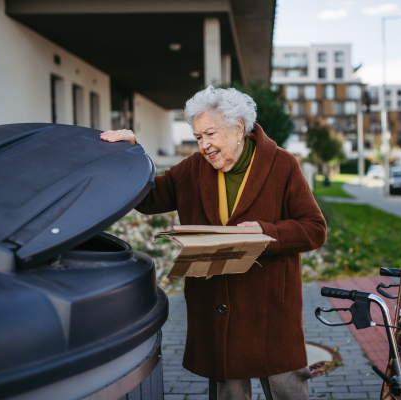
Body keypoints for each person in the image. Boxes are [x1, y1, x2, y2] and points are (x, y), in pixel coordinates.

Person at [100, 86, 326, 400]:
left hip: (270, 311)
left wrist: (264, 233)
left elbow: (314, 228)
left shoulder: (283, 165)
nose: (204, 145)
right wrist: (129, 152)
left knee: (287, 393)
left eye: (210, 134)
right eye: (198, 137)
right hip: (219, 310)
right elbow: (149, 197)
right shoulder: (192, 170)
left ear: (238, 129)